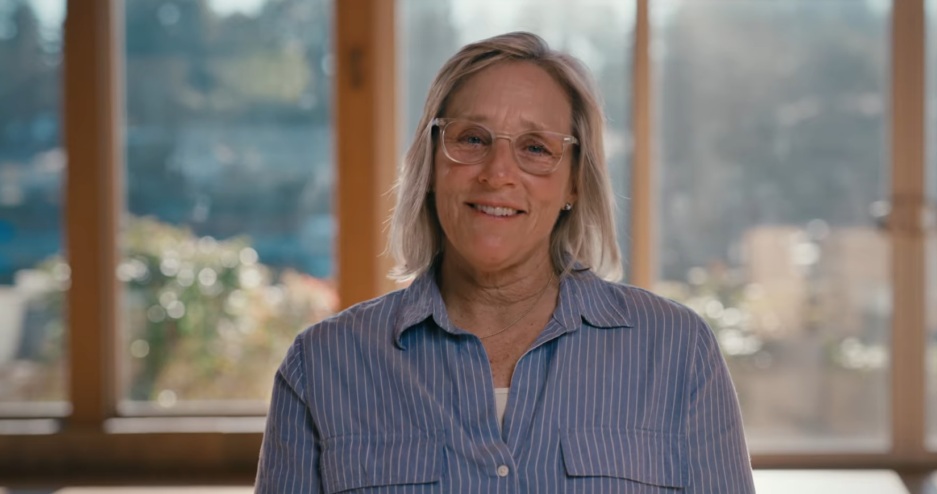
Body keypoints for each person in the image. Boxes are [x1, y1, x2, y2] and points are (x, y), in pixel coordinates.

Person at [255, 31, 755, 493]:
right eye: (472, 139)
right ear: (431, 163)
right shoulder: (321, 366)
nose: (497, 173)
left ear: (575, 183)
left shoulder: (679, 353)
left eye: (536, 148)